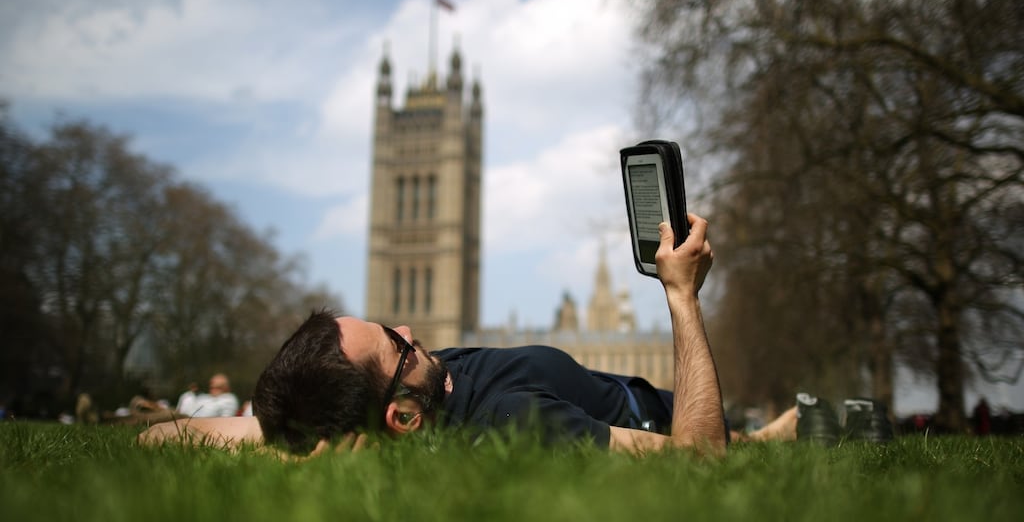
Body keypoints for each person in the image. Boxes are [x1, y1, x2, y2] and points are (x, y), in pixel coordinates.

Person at [140, 215, 796, 454]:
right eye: (396, 345)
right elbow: (698, 462)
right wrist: (681, 294)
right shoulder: (512, 425)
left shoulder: (353, 414)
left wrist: (288, 431)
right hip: (650, 408)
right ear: (403, 415)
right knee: (749, 439)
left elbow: (159, 438)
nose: (407, 328)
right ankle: (766, 438)